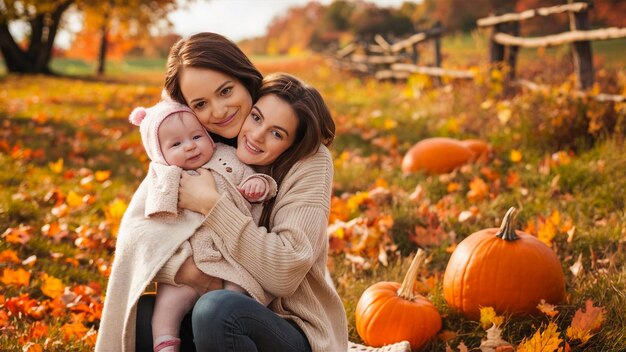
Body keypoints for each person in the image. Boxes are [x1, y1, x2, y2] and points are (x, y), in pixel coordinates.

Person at [95, 32, 347, 352]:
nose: (218, 111)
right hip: (206, 305)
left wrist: (210, 205)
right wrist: (189, 272)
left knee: (218, 310)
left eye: (225, 91)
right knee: (142, 316)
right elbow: (138, 235)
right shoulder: (197, 146)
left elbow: (285, 272)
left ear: (245, 79)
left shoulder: (308, 159)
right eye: (200, 104)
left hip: (292, 325)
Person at [127, 99, 278, 351]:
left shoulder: (227, 156)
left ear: (208, 136)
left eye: (196, 136)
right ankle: (165, 342)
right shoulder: (163, 177)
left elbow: (252, 177)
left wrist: (260, 185)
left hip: (231, 257)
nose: (190, 147)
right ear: (159, 154)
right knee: (164, 305)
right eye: (176, 144)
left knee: (235, 294)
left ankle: (230, 332)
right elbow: (154, 223)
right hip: (189, 263)